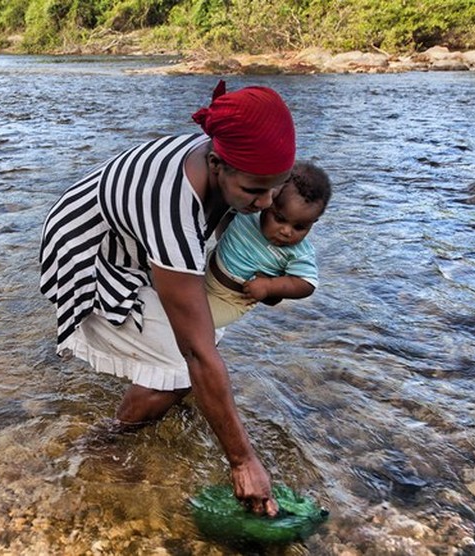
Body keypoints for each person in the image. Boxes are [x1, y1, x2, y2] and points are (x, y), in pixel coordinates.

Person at [39, 80, 295, 516]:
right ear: (217, 164)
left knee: (197, 341)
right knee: (180, 366)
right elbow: (195, 349)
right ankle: (106, 442)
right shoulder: (171, 205)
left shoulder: (226, 164)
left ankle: (146, 399)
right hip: (90, 249)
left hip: (135, 239)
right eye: (256, 191)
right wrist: (243, 459)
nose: (268, 203)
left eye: (277, 187)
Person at [206, 161, 331, 329]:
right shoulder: (250, 213)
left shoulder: (299, 253)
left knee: (197, 323)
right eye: (279, 219)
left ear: (313, 222)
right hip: (206, 268)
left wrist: (270, 286)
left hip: (232, 298)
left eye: (300, 227)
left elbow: (306, 284)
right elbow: (225, 215)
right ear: (269, 200)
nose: (287, 231)